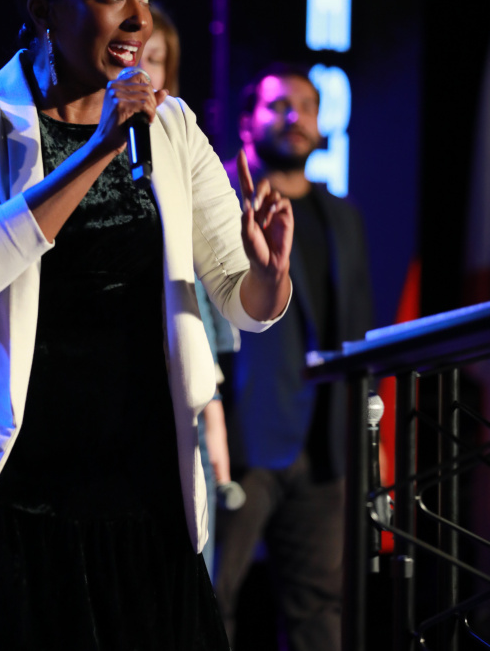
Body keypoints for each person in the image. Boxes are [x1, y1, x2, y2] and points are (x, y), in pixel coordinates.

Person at [0, 0, 293, 651]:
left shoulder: (171, 125)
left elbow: (243, 302)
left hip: (142, 491)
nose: (139, 19)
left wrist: (269, 274)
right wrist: (100, 147)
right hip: (4, 496)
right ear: (44, 11)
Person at [215, 62, 374, 651]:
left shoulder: (343, 217)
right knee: (210, 600)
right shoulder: (219, 202)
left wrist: (364, 437)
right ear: (247, 120)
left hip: (325, 446)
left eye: (307, 107)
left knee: (318, 611)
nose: (296, 118)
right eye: (279, 105)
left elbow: (356, 327)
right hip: (242, 439)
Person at [142, 5, 239, 579]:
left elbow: (203, 298)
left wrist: (215, 416)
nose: (143, 68)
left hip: (185, 396)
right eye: (133, 54)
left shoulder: (183, 154)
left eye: (156, 58)